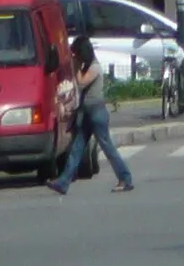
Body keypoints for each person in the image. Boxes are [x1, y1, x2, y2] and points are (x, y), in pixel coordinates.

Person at [51, 36, 132, 195]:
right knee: (77, 148)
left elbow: (81, 83)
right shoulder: (87, 66)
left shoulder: (94, 67)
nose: (75, 57)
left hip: (97, 114)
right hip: (87, 113)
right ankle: (63, 182)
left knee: (107, 147)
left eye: (76, 54)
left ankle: (125, 178)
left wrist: (75, 66)